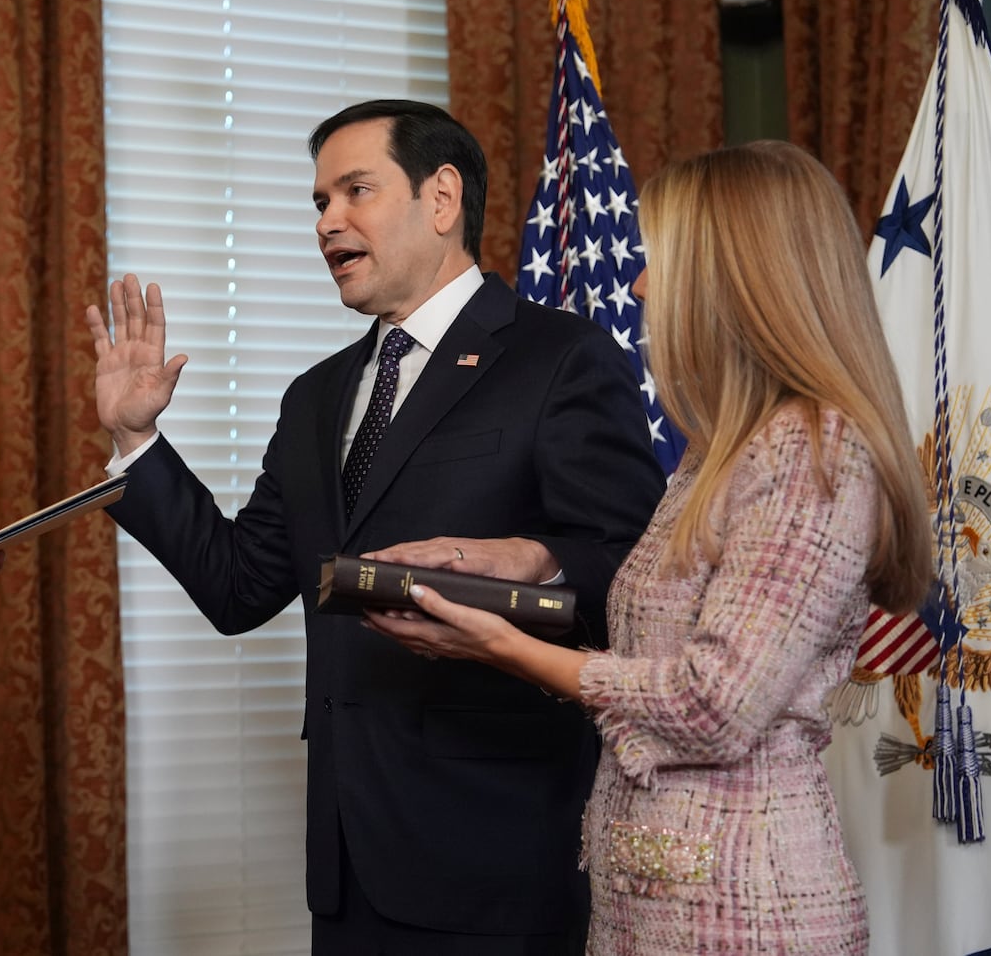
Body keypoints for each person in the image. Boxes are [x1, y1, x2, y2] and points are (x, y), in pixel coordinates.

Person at [88, 99, 666, 953]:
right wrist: (137, 439)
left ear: (442, 199)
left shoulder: (561, 358)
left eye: (354, 190)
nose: (328, 222)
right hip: (348, 867)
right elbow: (240, 585)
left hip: (502, 858)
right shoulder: (317, 394)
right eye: (318, 202)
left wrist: (526, 566)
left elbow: (632, 575)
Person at [366, 140, 935, 954]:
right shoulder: (718, 450)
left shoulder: (815, 451)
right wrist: (513, 566)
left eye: (660, 258)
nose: (638, 283)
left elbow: (714, 703)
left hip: (747, 911)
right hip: (648, 903)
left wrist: (508, 648)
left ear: (735, 276)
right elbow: (654, 648)